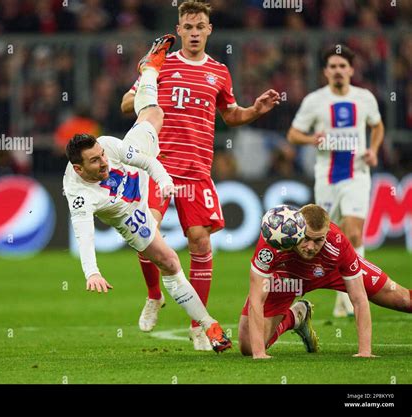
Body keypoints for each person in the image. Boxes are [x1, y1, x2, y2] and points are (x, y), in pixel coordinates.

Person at [121, 0, 280, 350]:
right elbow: (124, 104)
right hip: (157, 165)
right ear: (179, 30)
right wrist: (147, 88)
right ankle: (153, 296)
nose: (194, 33)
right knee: (145, 235)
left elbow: (231, 114)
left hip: (196, 172)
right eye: (188, 27)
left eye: (200, 27)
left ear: (209, 30)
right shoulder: (161, 65)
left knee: (201, 242)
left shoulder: (219, 72)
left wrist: (255, 109)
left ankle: (198, 326)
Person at [63, 34, 232, 353]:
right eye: (95, 161)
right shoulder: (80, 195)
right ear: (79, 169)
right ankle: (157, 296)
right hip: (127, 213)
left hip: (141, 175)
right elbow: (84, 234)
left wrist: (164, 180)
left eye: (101, 155)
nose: (103, 163)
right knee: (168, 260)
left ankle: (149, 69)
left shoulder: (109, 147)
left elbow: (145, 160)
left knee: (154, 114)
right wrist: (92, 272)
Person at [238, 204, 411, 359]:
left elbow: (358, 298)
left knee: (403, 300)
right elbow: (256, 298)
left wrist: (364, 351)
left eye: (318, 240)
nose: (311, 247)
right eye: (306, 239)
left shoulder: (338, 243)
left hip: (331, 271)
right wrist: (259, 353)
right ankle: (296, 316)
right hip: (287, 279)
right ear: (297, 230)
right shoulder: (275, 241)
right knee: (248, 346)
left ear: (327, 233)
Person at [287, 45, 385, 318]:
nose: (338, 71)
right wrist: (311, 139)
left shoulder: (364, 98)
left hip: (357, 174)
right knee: (332, 236)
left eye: (343, 66)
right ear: (325, 71)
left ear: (351, 70)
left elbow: (377, 126)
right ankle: (343, 296)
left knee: (354, 233)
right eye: (333, 66)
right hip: (327, 177)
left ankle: (358, 295)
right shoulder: (315, 101)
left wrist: (374, 150)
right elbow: (293, 134)